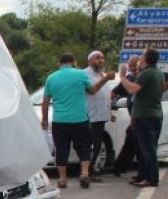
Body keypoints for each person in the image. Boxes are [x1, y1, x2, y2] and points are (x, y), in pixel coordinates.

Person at [41, 53, 99, 189]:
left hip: (59, 121)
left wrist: (44, 119)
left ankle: (62, 179)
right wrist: (105, 80)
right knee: (84, 147)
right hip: (80, 119)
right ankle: (84, 173)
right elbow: (92, 91)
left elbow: (45, 101)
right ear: (74, 62)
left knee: (61, 149)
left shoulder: (51, 78)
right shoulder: (81, 74)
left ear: (59, 63)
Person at [118, 48, 164, 187]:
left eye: (143, 55)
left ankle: (151, 178)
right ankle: (142, 175)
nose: (140, 57)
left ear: (146, 58)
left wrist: (123, 77)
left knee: (147, 149)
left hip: (145, 116)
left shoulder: (147, 73)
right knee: (144, 148)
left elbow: (132, 89)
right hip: (154, 114)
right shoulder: (158, 73)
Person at [83, 51, 117, 181]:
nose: (101, 60)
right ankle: (88, 172)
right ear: (90, 60)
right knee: (92, 145)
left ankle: (89, 171)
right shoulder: (85, 74)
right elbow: (91, 91)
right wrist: (106, 79)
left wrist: (110, 113)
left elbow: (104, 97)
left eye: (102, 58)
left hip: (100, 116)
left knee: (97, 145)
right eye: (97, 58)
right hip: (90, 115)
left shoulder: (100, 74)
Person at [110, 56, 140, 176]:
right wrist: (109, 107)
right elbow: (113, 92)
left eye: (134, 66)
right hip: (134, 117)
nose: (132, 69)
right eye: (130, 66)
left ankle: (120, 167)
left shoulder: (143, 77)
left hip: (142, 117)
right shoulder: (129, 78)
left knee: (134, 144)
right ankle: (120, 167)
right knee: (131, 143)